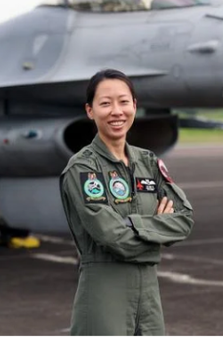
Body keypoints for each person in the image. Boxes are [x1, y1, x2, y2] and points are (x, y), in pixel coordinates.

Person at [60, 69, 194, 335]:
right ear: (90, 111)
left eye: (123, 102)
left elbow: (184, 220)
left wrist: (133, 225)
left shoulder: (148, 162)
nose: (116, 111)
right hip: (104, 290)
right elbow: (111, 236)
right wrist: (155, 229)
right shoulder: (84, 167)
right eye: (105, 103)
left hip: (149, 296)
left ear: (134, 106)